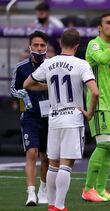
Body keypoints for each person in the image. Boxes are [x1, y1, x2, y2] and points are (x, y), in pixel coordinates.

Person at [23, 28, 99, 211]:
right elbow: (95, 91)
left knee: (53, 164)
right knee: (66, 164)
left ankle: (51, 205)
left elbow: (27, 84)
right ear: (77, 45)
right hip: (72, 118)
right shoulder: (81, 64)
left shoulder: (49, 63)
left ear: (60, 43)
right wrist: (89, 112)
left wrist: (48, 86)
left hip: (54, 117)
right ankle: (60, 206)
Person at [81, 13, 110, 202]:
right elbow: (100, 60)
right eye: (108, 23)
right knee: (103, 145)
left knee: (109, 148)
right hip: (98, 103)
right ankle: (88, 189)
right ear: (99, 27)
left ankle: (100, 189)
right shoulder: (95, 44)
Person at [10, 30, 49, 206]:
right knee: (31, 152)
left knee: (47, 156)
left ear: (46, 47)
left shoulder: (52, 66)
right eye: (36, 45)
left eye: (42, 45)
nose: (39, 49)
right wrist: (18, 94)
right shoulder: (20, 68)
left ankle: (44, 188)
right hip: (30, 116)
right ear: (29, 47)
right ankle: (31, 193)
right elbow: (12, 89)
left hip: (50, 116)